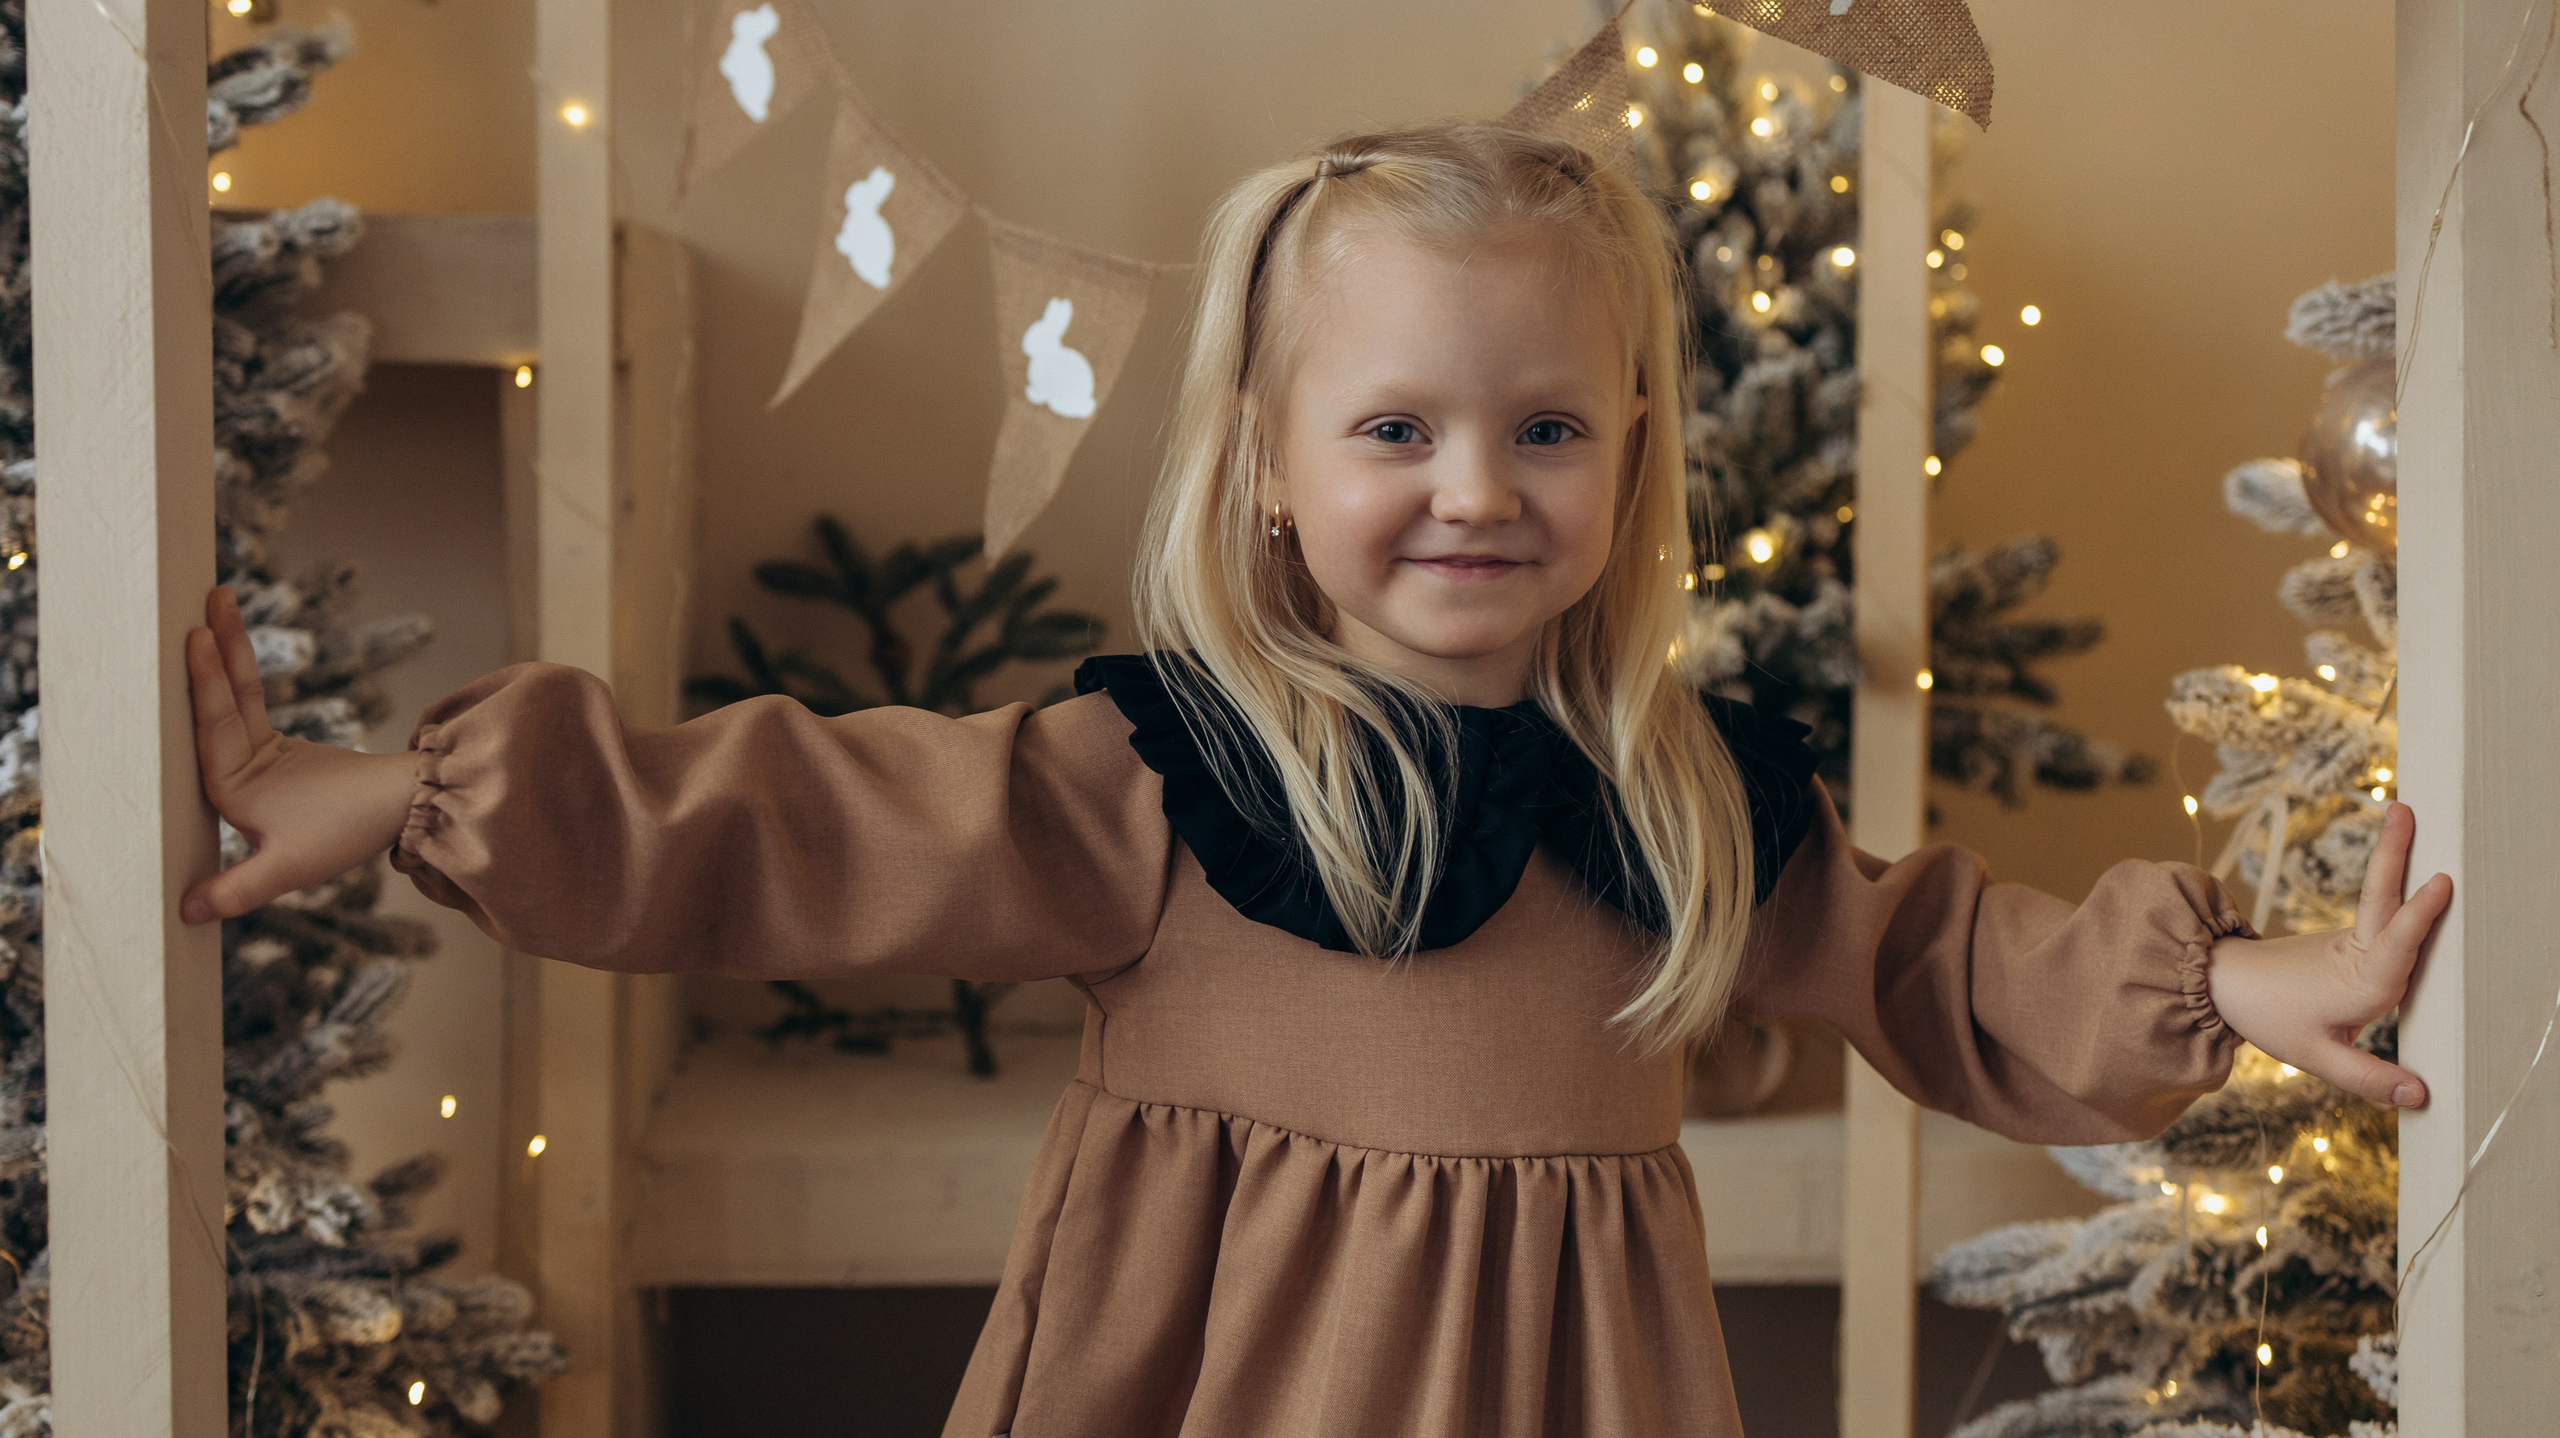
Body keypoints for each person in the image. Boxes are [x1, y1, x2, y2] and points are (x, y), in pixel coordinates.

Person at [179, 124, 2448, 1438]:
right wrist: (395, 791)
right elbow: (793, 816)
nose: (1475, 487)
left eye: (1543, 425)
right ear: (1266, 464)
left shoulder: (1676, 785)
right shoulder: (1162, 769)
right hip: (1215, 1374)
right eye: (1395, 429)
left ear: (1629, 457)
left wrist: (2234, 974)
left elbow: (1935, 953)